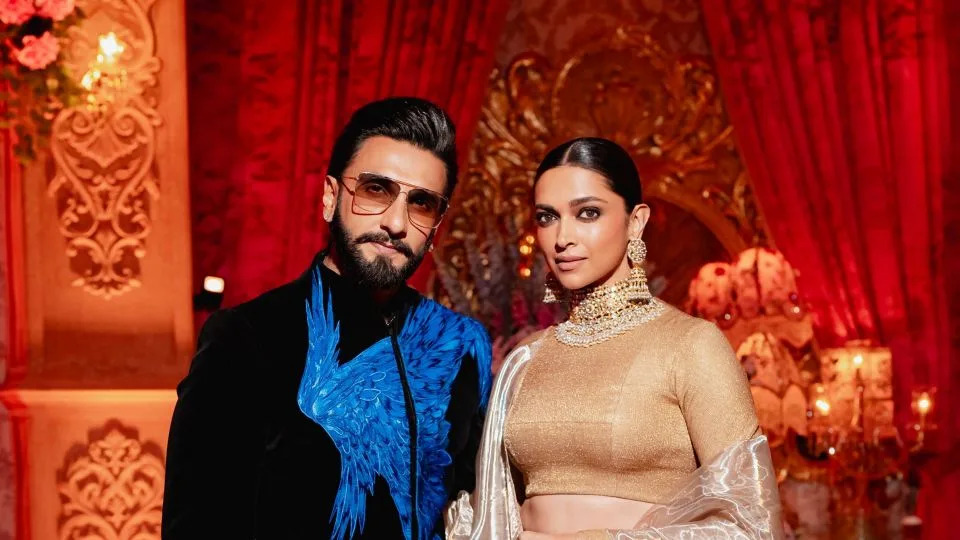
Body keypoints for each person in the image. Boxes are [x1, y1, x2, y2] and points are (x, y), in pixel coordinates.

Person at [163, 97, 492, 540]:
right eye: (376, 190)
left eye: (421, 203)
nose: (396, 222)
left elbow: (479, 513)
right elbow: (198, 525)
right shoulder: (248, 338)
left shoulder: (461, 345)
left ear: (436, 225)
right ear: (330, 197)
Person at [445, 137, 782, 539]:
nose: (561, 237)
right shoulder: (528, 357)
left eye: (587, 213)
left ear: (636, 221)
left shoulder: (691, 345)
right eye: (547, 216)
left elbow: (750, 524)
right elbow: (491, 512)